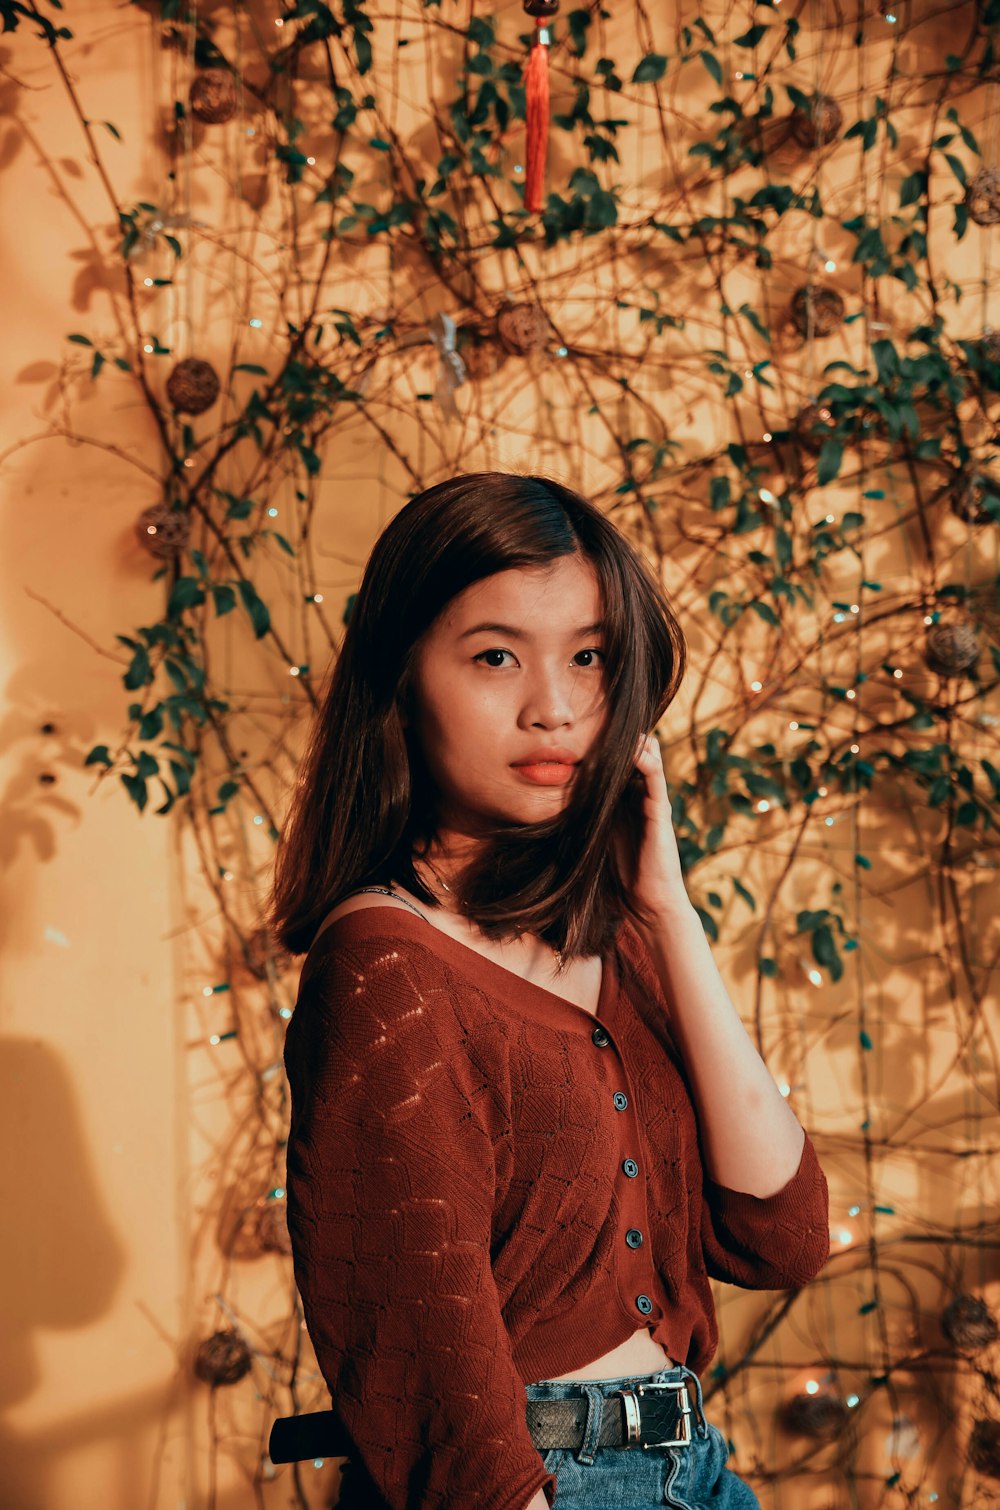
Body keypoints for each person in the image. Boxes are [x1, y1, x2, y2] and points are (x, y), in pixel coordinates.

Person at [268, 472, 830, 1510]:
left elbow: (782, 1235)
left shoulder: (615, 926)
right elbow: (422, 1356)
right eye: (494, 656)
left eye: (589, 656)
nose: (556, 707)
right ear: (402, 678)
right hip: (536, 1487)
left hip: (695, 1468)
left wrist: (668, 911)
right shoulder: (388, 966)